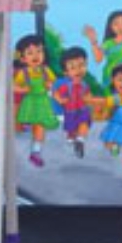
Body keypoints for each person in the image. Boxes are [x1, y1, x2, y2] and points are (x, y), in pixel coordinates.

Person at [12, 34, 60, 168]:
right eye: (30, 53)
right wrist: (23, 89)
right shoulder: (23, 73)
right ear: (23, 58)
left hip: (42, 102)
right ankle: (28, 128)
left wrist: (50, 85)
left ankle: (36, 151)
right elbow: (13, 86)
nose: (35, 56)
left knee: (40, 127)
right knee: (32, 123)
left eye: (39, 51)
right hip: (30, 102)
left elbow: (54, 83)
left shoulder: (46, 70)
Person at [52, 47, 96, 158]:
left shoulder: (84, 85)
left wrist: (90, 101)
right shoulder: (66, 85)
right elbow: (56, 93)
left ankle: (80, 140)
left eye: (81, 65)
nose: (78, 70)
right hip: (70, 111)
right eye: (73, 67)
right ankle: (72, 136)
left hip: (82, 110)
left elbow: (88, 95)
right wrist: (60, 100)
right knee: (71, 129)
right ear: (66, 72)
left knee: (84, 123)